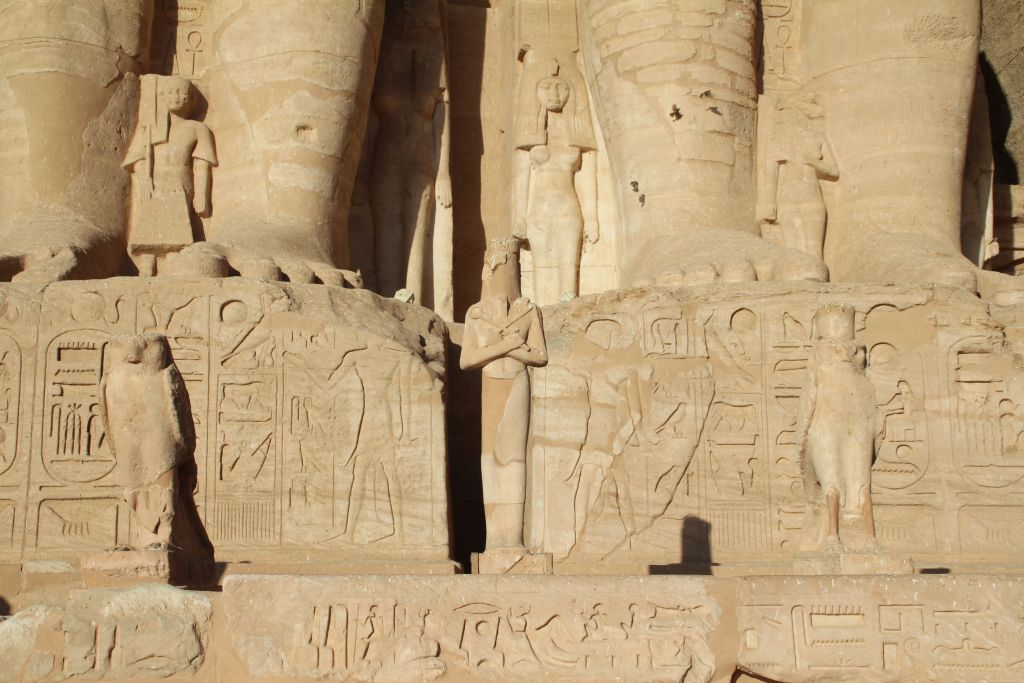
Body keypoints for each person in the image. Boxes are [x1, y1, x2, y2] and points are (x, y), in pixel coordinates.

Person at [513, 58, 598, 305]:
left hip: (569, 206)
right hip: (538, 208)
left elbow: (587, 178)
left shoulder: (576, 136)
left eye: (562, 88)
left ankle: (569, 315)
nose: (555, 94)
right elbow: (521, 179)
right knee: (541, 267)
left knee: (568, 267)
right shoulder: (529, 139)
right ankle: (543, 315)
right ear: (535, 92)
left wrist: (592, 217)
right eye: (547, 87)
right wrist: (519, 216)